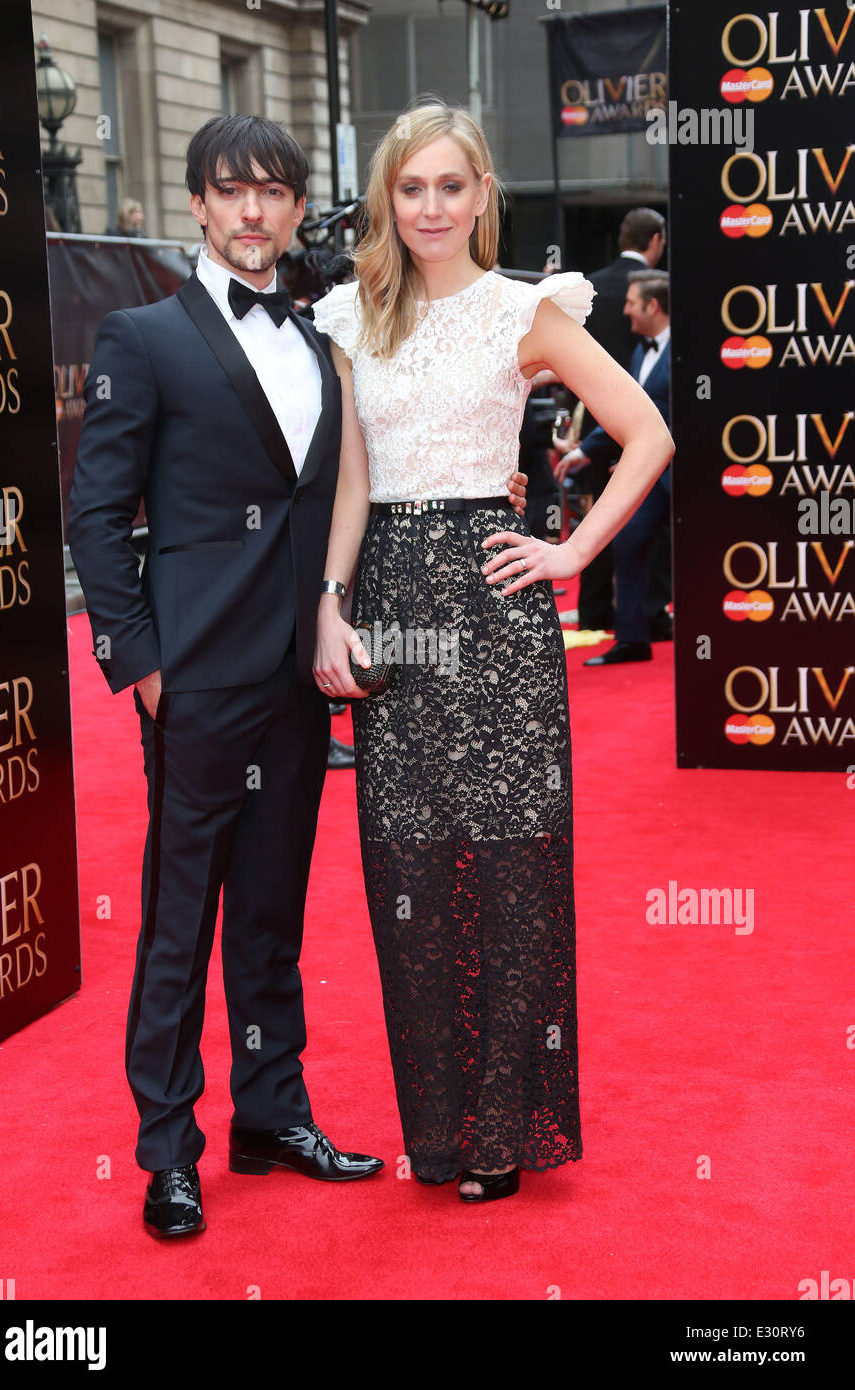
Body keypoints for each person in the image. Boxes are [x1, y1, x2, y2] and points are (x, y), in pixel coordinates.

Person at [67, 114, 527, 1238]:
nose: (256, 212)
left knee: (271, 914)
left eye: (274, 191)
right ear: (199, 206)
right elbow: (93, 513)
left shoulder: (326, 333)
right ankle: (167, 1151)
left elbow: (359, 485)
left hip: (299, 679)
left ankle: (271, 1112)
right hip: (199, 677)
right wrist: (144, 666)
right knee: (180, 921)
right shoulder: (144, 337)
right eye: (233, 192)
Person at [311, 102, 674, 1203]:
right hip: (391, 601)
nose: (430, 207)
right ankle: (438, 1125)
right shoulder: (350, 313)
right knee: (408, 862)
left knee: (514, 864)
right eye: (410, 188)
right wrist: (331, 600)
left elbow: (649, 431)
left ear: (482, 197)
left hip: (495, 597)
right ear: (389, 197)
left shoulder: (532, 309)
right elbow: (354, 483)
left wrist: (571, 557)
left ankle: (505, 1126)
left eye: (450, 187)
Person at [554, 271, 672, 665]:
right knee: (628, 542)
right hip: (654, 478)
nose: (625, 309)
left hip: (685, 476)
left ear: (652, 306)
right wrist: (588, 449)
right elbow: (629, 416)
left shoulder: (683, 352)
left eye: (632, 302)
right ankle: (633, 638)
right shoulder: (641, 352)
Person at [571, 208, 666, 631]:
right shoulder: (655, 292)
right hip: (624, 432)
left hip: (599, 422)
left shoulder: (588, 287)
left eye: (634, 306)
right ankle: (648, 612)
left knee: (603, 517)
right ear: (656, 240)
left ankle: (600, 612)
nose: (628, 312)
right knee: (632, 529)